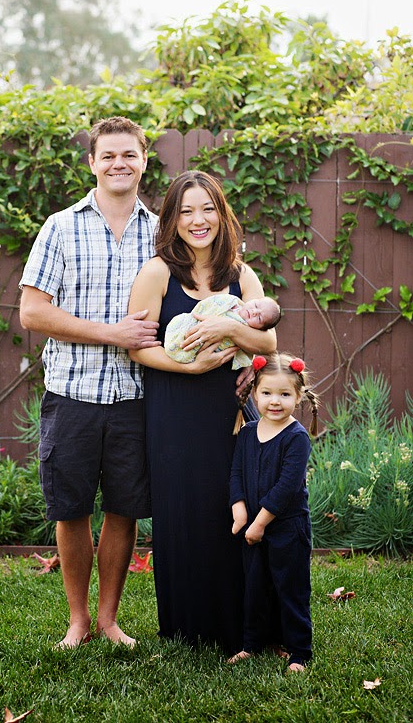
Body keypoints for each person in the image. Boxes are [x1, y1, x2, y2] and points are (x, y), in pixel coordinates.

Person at [19, 116, 160, 648]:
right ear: (92, 163)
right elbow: (33, 312)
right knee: (71, 509)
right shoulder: (60, 227)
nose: (119, 164)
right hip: (72, 394)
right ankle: (78, 619)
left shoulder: (164, 231)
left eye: (129, 154)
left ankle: (108, 619)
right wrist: (111, 333)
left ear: (144, 161)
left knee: (124, 508)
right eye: (108, 155)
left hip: (137, 396)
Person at [128, 170, 277, 655]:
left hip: (228, 411)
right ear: (172, 219)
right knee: (184, 509)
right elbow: (137, 348)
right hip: (174, 410)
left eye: (208, 209)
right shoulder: (156, 273)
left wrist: (228, 332)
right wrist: (187, 367)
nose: (198, 220)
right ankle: (187, 626)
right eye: (187, 211)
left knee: (231, 504)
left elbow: (268, 342)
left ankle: (242, 623)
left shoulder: (240, 274)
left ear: (221, 214)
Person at [228, 353, 319, 671]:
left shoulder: (296, 438)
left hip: (286, 528)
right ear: (255, 393)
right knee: (255, 588)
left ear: (298, 396)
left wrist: (260, 523)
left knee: (290, 588)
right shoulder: (248, 433)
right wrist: (239, 511)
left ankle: (299, 651)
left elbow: (286, 488)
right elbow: (236, 474)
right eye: (267, 393)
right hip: (252, 525)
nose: (275, 401)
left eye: (284, 394)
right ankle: (252, 643)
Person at [164, 294, 281, 368]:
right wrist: (192, 368)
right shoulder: (231, 303)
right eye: (255, 305)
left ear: (260, 329)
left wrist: (230, 328)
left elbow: (269, 345)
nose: (254, 312)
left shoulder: (246, 275)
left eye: (259, 318)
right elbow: (209, 306)